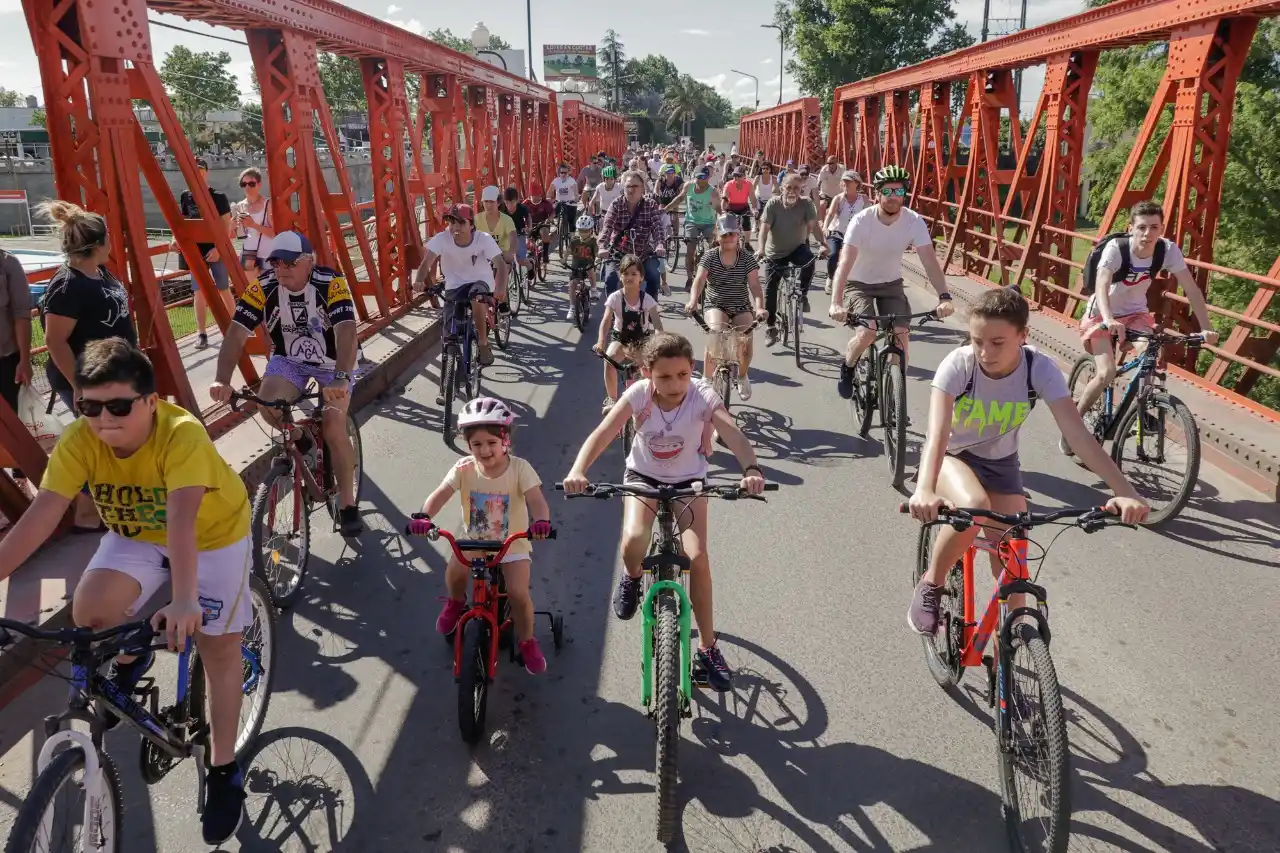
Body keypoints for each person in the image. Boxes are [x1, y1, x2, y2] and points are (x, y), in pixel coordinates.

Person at [0, 338, 254, 845]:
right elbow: (42, 514)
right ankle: (131, 652)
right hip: (135, 533)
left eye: (118, 406)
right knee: (90, 611)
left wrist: (184, 602)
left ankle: (225, 769)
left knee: (218, 647)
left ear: (151, 402)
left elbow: (182, 522)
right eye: (89, 407)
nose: (102, 420)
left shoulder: (181, 434)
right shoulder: (80, 439)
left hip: (211, 537)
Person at [906, 287, 1150, 634]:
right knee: (974, 507)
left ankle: (1010, 642)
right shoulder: (959, 366)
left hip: (1000, 463)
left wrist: (1125, 490)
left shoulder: (1038, 368)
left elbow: (1079, 436)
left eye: (997, 342)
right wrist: (925, 490)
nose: (984, 352)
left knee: (1014, 545)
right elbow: (938, 434)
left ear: (1023, 336)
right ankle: (931, 585)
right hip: (952, 456)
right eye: (977, 340)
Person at [562, 332, 767, 692]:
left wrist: (751, 469)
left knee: (698, 556)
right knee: (633, 540)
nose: (676, 384)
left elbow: (730, 430)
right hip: (643, 477)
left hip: (689, 481)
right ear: (647, 373)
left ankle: (707, 647)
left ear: (693, 371)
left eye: (683, 375)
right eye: (665, 377)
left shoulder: (703, 395)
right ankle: (631, 575)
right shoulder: (638, 395)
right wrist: (579, 470)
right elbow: (604, 432)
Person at [209, 231, 363, 537]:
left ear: (308, 262)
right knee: (268, 406)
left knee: (333, 423)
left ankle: (348, 506)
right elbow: (237, 333)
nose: (281, 269)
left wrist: (341, 378)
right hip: (290, 359)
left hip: (334, 363)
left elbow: (346, 331)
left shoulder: (330, 283)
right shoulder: (263, 287)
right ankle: (300, 436)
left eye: (289, 262)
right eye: (276, 261)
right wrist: (222, 380)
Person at [1062, 200, 1219, 455]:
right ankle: (1072, 427)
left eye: (1154, 227)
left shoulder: (1167, 250)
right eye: (1142, 227)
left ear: (1162, 228)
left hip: (1136, 314)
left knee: (1149, 352)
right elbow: (1101, 284)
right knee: (1106, 373)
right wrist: (1109, 318)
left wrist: (1206, 328)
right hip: (1102, 313)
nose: (1148, 234)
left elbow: (1192, 289)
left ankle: (1143, 406)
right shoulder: (1117, 248)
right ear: (1131, 228)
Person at [410, 398, 554, 674]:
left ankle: (526, 641)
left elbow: (537, 500)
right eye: (476, 444)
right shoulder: (464, 468)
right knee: (454, 570)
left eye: (491, 442)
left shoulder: (520, 468)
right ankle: (456, 603)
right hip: (475, 539)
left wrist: (542, 522)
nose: (485, 450)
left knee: (517, 593)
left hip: (513, 541)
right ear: (468, 446)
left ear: (505, 441)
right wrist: (424, 517)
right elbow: (440, 494)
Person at [36, 199, 137, 531]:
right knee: (103, 443)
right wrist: (80, 388)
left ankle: (92, 512)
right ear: (98, 245)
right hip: (88, 383)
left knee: (106, 442)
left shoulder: (98, 272)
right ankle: (86, 513)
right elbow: (55, 341)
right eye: (109, 236)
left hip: (114, 376)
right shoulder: (68, 287)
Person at [829, 164, 955, 399]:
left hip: (891, 284)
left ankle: (895, 397)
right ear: (877, 194)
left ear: (904, 194)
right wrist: (836, 302)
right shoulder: (861, 221)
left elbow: (929, 260)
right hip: (858, 284)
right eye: (887, 192)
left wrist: (944, 296)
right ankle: (848, 365)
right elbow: (844, 263)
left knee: (901, 335)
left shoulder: (913, 221)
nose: (893, 197)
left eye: (898, 191)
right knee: (867, 333)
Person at [413, 205, 504, 372]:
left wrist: (501, 288)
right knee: (449, 331)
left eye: (461, 222)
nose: (455, 227)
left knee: (476, 297)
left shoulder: (483, 238)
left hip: (480, 280)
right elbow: (427, 262)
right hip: (454, 285)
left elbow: (500, 264)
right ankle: (448, 378)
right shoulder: (442, 238)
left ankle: (483, 344)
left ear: (471, 225)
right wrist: (419, 280)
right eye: (451, 222)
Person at [687, 214, 768, 401]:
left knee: (746, 338)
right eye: (724, 235)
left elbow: (755, 286)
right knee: (715, 333)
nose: (729, 238)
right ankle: (707, 379)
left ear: (738, 235)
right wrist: (693, 300)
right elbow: (699, 280)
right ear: (717, 236)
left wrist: (760, 308)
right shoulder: (709, 256)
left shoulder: (746, 258)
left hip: (740, 305)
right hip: (716, 304)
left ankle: (742, 375)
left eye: (732, 234)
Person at [756, 173, 826, 344]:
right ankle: (771, 327)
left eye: (796, 188)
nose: (792, 191)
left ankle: (803, 294)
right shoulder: (774, 203)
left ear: (802, 189)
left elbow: (814, 226)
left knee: (809, 260)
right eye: (789, 187)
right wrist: (761, 249)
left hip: (797, 248)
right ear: (782, 188)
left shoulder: (806, 203)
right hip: (775, 252)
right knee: (771, 288)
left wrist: (823, 243)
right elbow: (764, 229)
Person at [175, 157, 235, 350]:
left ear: (206, 172)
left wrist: (218, 248)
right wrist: (175, 240)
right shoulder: (186, 196)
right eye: (194, 169)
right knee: (198, 292)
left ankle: (236, 330)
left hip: (214, 249)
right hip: (195, 250)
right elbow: (183, 222)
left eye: (200, 169)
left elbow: (227, 226)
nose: (197, 173)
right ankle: (201, 333)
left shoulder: (218, 196)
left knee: (223, 288)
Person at [596, 254, 662, 412]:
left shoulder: (647, 300)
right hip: (621, 339)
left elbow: (658, 325)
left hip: (642, 341)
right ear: (620, 276)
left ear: (641, 277)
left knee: (648, 370)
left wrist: (659, 342)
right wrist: (600, 342)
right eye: (625, 273)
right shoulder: (615, 297)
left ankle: (650, 400)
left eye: (634, 273)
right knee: (609, 359)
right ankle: (612, 398)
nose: (629, 277)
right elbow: (606, 321)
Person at [597, 171, 668, 299]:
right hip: (619, 252)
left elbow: (658, 228)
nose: (631, 190)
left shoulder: (650, 205)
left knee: (654, 276)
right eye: (628, 186)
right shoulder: (616, 205)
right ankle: (612, 314)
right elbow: (607, 227)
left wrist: (660, 245)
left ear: (642, 188)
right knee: (610, 279)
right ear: (623, 188)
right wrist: (602, 246)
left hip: (643, 253)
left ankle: (650, 312)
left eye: (635, 186)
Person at [0, 247, 33, 487]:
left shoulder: (7, 263)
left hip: (6, 358)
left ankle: (21, 478)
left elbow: (22, 314)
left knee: (15, 423)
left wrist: (25, 359)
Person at [664, 166, 719, 290]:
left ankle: (712, 275)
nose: (699, 181)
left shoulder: (713, 192)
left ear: (708, 178)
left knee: (713, 248)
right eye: (698, 177)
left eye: (703, 178)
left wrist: (722, 223)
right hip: (692, 222)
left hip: (708, 223)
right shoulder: (689, 186)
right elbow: (679, 199)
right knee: (690, 252)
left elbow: (719, 210)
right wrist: (666, 209)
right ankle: (689, 278)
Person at [821, 170, 867, 293]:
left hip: (853, 235)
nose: (845, 185)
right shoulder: (839, 199)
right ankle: (830, 278)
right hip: (836, 232)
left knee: (855, 258)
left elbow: (869, 217)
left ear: (857, 184)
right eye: (844, 182)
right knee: (833, 254)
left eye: (849, 182)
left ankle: (851, 281)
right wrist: (825, 227)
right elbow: (830, 215)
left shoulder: (863, 199)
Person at [476, 185, 517, 303]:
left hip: (502, 254)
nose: (488, 205)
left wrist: (511, 252)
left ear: (498, 202)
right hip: (483, 255)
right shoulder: (477, 219)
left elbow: (513, 237)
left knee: (501, 272)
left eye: (492, 202)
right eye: (486, 202)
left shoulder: (506, 220)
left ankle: (502, 300)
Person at [234, 167, 276, 274]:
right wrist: (234, 225)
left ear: (259, 184)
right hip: (248, 253)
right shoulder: (239, 206)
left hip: (268, 254)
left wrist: (253, 225)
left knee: (268, 289)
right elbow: (236, 236)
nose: (247, 187)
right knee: (252, 289)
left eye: (251, 184)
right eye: (244, 184)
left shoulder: (268, 204)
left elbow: (274, 233)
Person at [567, 214, 600, 320]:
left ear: (591, 230)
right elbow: (568, 251)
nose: (583, 233)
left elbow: (597, 252)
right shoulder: (575, 241)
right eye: (581, 230)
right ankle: (572, 307)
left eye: (586, 231)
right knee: (572, 285)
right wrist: (563, 259)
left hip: (588, 264)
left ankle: (594, 289)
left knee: (590, 270)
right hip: (576, 266)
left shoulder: (593, 242)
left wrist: (597, 258)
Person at [550, 163, 579, 261]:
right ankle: (557, 223)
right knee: (552, 211)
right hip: (560, 202)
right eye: (561, 173)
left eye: (565, 173)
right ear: (559, 173)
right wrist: (549, 198)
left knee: (571, 222)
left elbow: (575, 191)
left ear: (568, 173)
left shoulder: (572, 181)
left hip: (570, 203)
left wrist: (575, 198)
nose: (563, 174)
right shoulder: (556, 181)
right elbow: (550, 190)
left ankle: (573, 241)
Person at [720, 167, 755, 250]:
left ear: (744, 176)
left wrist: (755, 209)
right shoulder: (729, 184)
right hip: (731, 207)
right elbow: (724, 199)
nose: (736, 178)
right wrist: (723, 210)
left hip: (743, 207)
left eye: (739, 176)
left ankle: (747, 243)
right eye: (735, 175)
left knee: (746, 224)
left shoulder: (749, 184)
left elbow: (753, 198)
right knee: (728, 227)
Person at [524, 181, 556, 270]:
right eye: (532, 196)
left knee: (544, 233)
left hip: (543, 224)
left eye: (535, 196)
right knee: (528, 242)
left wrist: (549, 219)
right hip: (530, 225)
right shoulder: (526, 204)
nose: (533, 198)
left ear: (540, 195)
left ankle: (545, 255)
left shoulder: (546, 203)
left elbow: (553, 213)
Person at [501, 186, 531, 273]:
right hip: (507, 234)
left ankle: (530, 266)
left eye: (512, 202)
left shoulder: (522, 208)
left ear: (517, 200)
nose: (509, 205)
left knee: (521, 260)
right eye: (507, 203)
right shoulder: (502, 209)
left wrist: (528, 227)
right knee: (504, 259)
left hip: (519, 233)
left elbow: (528, 218)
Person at [816, 155, 845, 221]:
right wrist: (816, 192)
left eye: (831, 163)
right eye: (828, 163)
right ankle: (823, 224)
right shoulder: (824, 169)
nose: (829, 165)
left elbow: (845, 181)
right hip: (825, 193)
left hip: (837, 193)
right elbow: (819, 182)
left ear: (836, 163)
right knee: (822, 205)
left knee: (840, 209)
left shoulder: (842, 169)